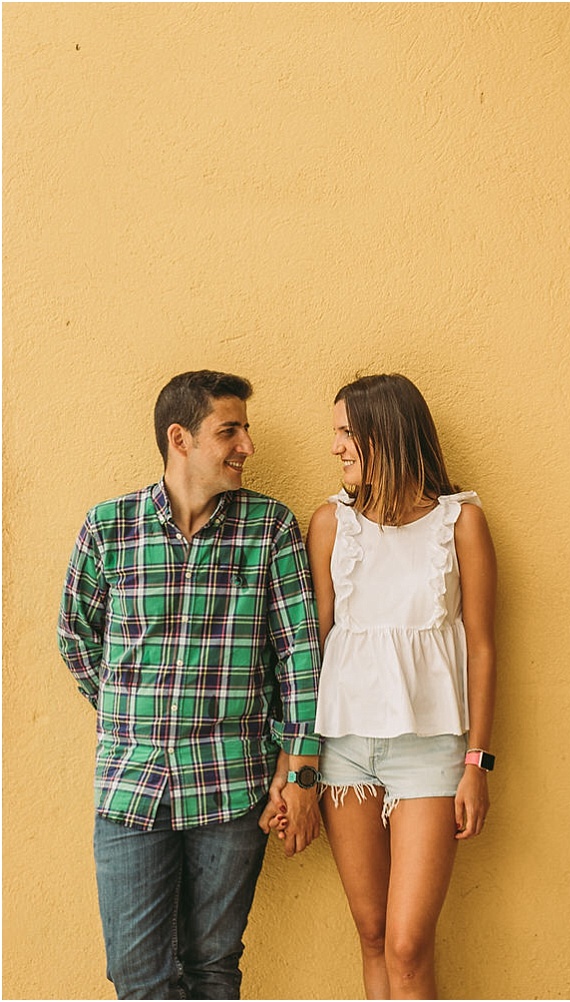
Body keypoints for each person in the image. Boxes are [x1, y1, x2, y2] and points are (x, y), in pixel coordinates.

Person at [57, 369, 322, 1000]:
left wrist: (302, 766)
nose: (246, 447)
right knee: (138, 977)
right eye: (229, 430)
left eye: (246, 430)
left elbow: (301, 654)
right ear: (180, 438)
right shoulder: (109, 528)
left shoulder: (270, 529)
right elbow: (75, 635)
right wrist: (123, 707)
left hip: (233, 784)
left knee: (213, 966)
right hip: (130, 783)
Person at [265, 372, 496, 999]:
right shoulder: (330, 525)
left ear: (383, 432)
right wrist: (296, 767)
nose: (337, 446)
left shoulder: (461, 523)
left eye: (346, 432)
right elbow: (310, 650)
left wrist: (477, 763)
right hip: (343, 751)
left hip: (429, 754)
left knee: (407, 943)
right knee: (370, 932)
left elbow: (481, 647)